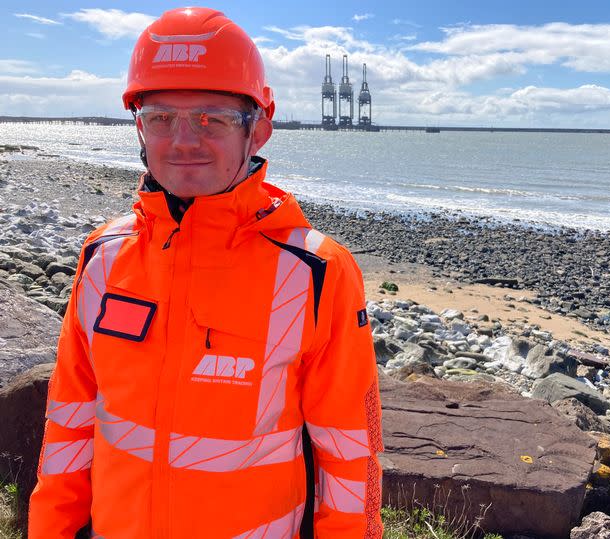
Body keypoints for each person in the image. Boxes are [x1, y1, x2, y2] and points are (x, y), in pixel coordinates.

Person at [28, 7, 383, 538]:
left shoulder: (316, 272)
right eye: (161, 117)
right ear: (139, 127)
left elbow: (351, 455)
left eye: (211, 118)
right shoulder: (103, 256)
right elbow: (69, 424)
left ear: (259, 128)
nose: (183, 141)